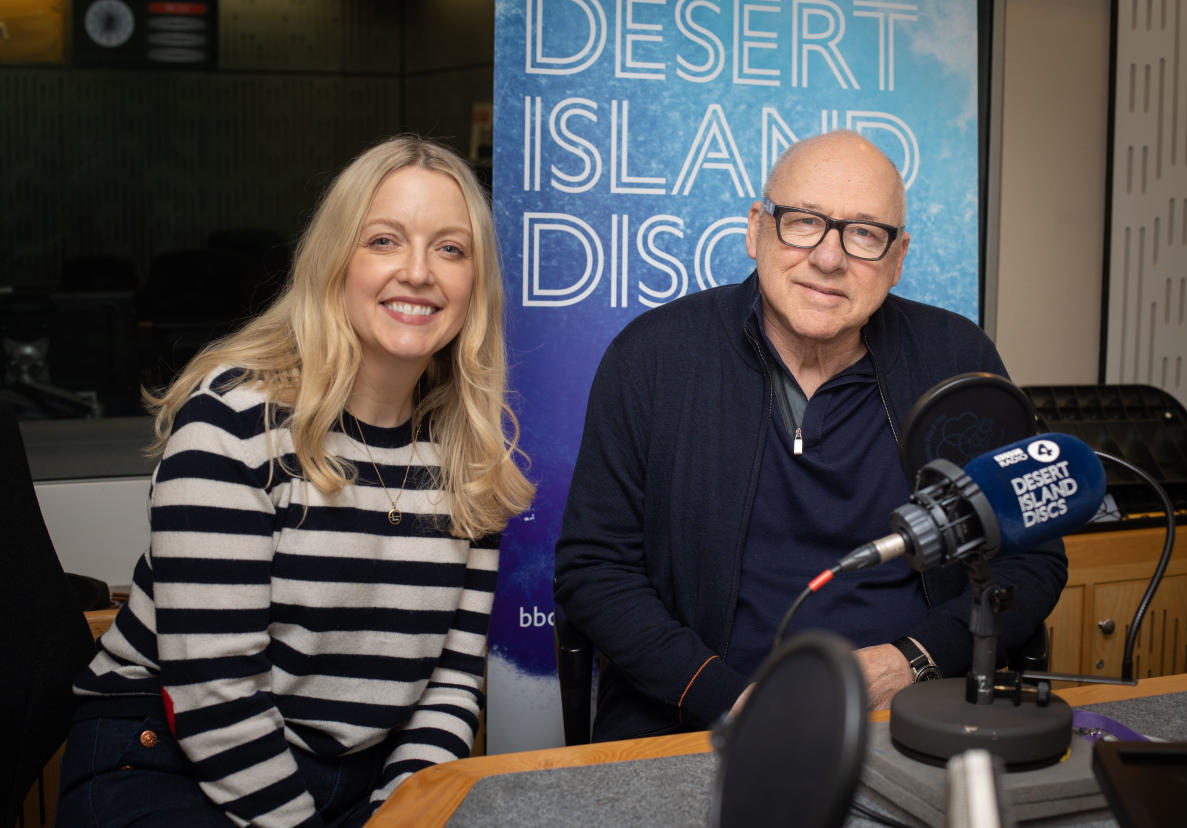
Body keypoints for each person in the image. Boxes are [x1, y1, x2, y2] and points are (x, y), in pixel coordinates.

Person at [56, 135, 535, 827]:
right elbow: (218, 697)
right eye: (384, 240)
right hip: (168, 758)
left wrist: (401, 816)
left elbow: (449, 690)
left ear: (475, 284)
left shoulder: (473, 457)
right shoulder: (234, 422)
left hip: (350, 778)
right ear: (335, 260)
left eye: (451, 249)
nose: (420, 271)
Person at [554, 131, 1068, 743]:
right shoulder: (652, 358)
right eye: (804, 222)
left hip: (904, 717)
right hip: (692, 722)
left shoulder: (957, 359)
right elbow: (594, 568)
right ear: (756, 228)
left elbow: (1031, 557)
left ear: (898, 257)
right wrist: (727, 700)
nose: (829, 258)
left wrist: (914, 659)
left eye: (865, 234)